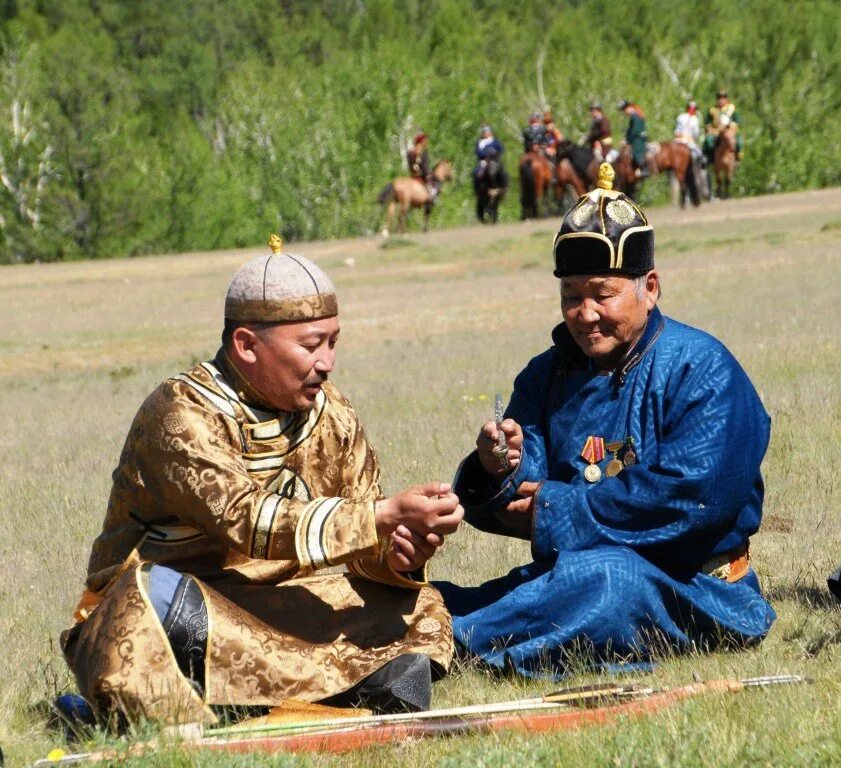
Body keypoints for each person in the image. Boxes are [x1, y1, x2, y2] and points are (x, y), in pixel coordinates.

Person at [60, 235, 463, 725]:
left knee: (418, 604)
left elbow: (364, 538)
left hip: (271, 607)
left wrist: (398, 554)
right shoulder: (179, 414)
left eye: (334, 342)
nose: (327, 362)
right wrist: (381, 517)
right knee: (150, 605)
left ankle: (253, 699)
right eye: (311, 345)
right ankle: (331, 693)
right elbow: (250, 520)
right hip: (187, 601)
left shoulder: (331, 411)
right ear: (246, 346)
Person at [437, 163, 775, 678]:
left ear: (651, 288)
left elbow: (696, 496)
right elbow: (525, 478)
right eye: (571, 295)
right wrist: (498, 465)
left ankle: (436, 643)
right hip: (577, 573)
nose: (584, 313)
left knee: (605, 582)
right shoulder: (546, 374)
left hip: (696, 588)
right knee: (567, 582)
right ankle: (425, 618)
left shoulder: (702, 369)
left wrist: (563, 506)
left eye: (602, 293)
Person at [703, 90, 742, 164]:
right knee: (708, 140)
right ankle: (708, 157)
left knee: (738, 140)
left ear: (726, 100)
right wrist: (709, 127)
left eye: (723, 98)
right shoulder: (713, 110)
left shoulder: (731, 109)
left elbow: (737, 120)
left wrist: (731, 125)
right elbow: (707, 122)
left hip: (728, 130)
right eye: (719, 99)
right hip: (716, 131)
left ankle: (737, 157)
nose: (721, 100)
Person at [618, 99, 648, 178]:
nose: (624, 112)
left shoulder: (635, 116)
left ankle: (644, 169)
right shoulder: (634, 116)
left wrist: (627, 141)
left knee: (636, 151)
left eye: (624, 109)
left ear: (629, 107)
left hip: (638, 139)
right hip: (636, 137)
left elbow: (634, 131)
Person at [473, 125, 507, 192]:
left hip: (494, 160)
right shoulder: (480, 142)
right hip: (483, 161)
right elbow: (478, 151)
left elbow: (501, 149)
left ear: (490, 132)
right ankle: (477, 189)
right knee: (476, 172)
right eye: (484, 132)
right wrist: (485, 154)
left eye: (487, 132)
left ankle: (503, 186)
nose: (485, 133)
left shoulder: (495, 141)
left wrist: (495, 153)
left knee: (502, 171)